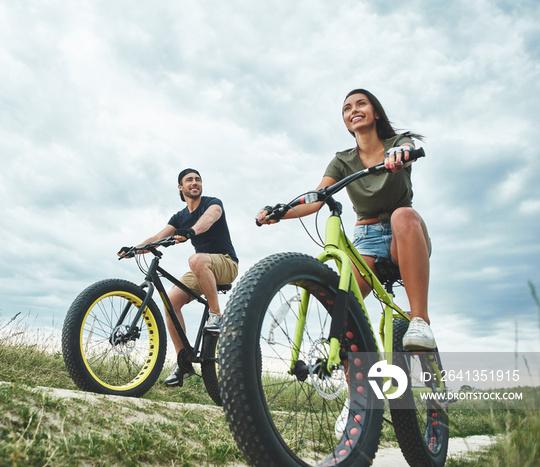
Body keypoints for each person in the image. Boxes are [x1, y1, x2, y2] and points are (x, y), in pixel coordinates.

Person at [258, 88, 435, 437]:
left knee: (403, 215)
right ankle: (355, 400)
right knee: (345, 307)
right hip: (366, 239)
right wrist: (281, 211)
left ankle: (420, 320)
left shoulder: (397, 142)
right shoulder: (342, 160)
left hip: (405, 236)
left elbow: (408, 153)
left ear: (376, 113)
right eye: (346, 108)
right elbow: (315, 199)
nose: (353, 110)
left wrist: (401, 154)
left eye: (361, 104)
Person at [120, 168, 239, 387]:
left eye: (198, 179)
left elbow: (209, 220)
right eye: (189, 180)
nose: (195, 183)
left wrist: (191, 231)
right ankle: (183, 362)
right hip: (202, 266)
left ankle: (216, 315)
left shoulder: (213, 203)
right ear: (180, 187)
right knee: (170, 303)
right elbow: (157, 238)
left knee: (195, 260)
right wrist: (134, 250)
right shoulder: (180, 216)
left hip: (226, 263)